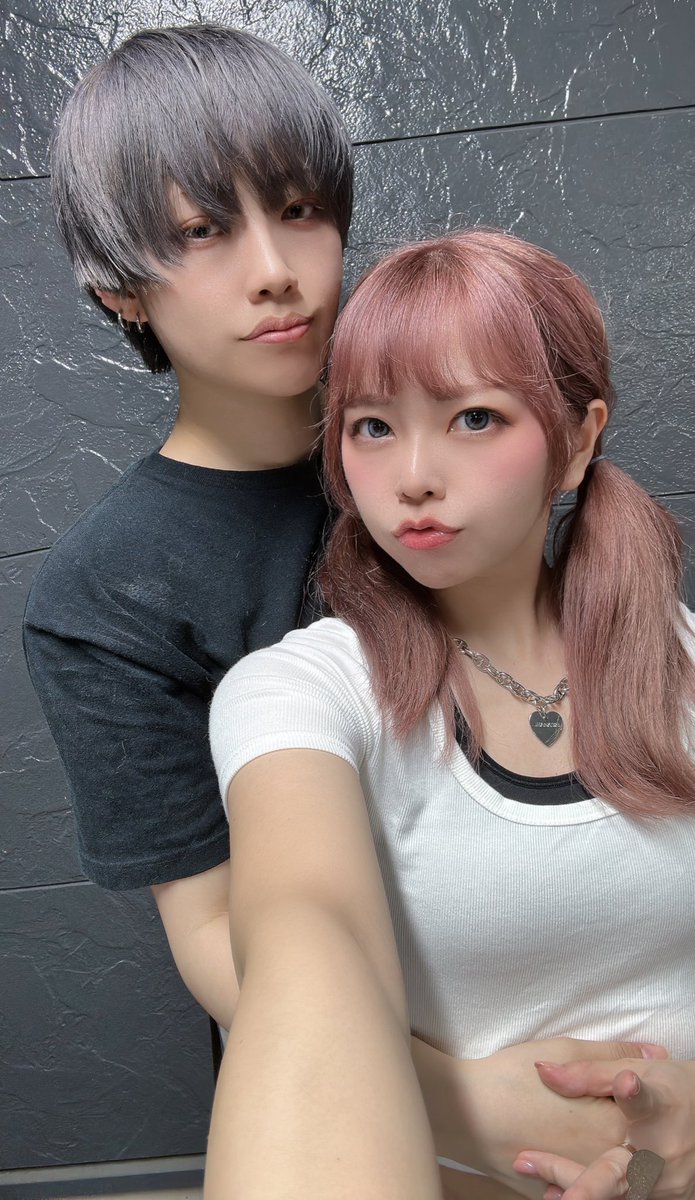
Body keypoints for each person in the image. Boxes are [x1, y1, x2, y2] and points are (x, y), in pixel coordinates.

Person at [206, 229, 695, 1198]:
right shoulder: (303, 691)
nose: (413, 475)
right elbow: (304, 928)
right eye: (371, 427)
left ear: (577, 440)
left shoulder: (679, 660)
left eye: (473, 417)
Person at [22, 22, 351, 1031]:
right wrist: (470, 1093)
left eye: (298, 209)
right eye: (203, 231)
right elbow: (212, 930)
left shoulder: (463, 448)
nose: (274, 269)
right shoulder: (103, 597)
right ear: (120, 290)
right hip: (338, 1060)